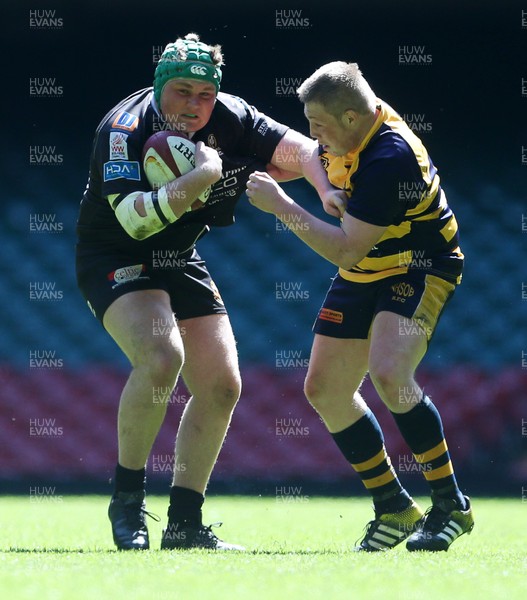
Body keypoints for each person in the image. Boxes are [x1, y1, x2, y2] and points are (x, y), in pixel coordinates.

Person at [75, 33, 337, 551]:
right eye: (181, 91)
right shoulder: (124, 130)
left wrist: (326, 189)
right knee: (160, 356)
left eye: (205, 95)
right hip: (116, 255)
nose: (194, 106)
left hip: (179, 259)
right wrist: (206, 174)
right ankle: (127, 503)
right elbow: (134, 224)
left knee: (221, 387)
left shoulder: (232, 117)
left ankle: (185, 526)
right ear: (158, 87)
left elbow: (305, 150)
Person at [246, 61, 474, 552]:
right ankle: (393, 505)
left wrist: (281, 204)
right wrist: (325, 189)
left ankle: (450, 502)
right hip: (368, 267)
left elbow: (347, 249)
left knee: (390, 373)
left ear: (352, 118)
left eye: (320, 125)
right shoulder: (347, 135)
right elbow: (310, 154)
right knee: (326, 389)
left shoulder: (389, 157)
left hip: (418, 265)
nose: (314, 136)